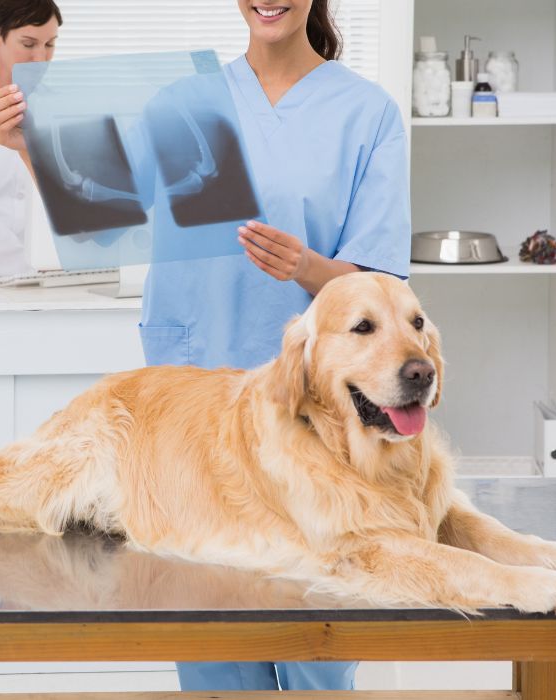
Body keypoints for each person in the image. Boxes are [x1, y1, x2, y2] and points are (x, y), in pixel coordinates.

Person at [139, 0, 411, 691]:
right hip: (195, 406)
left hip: (312, 416)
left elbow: (379, 286)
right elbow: (104, 202)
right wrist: (27, 146)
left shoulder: (366, 113)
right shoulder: (183, 102)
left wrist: (306, 268)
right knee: (210, 638)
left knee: (317, 639)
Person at [0, 0, 61, 276]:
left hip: (33, 285)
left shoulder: (56, 109)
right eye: (28, 44)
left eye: (49, 45)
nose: (41, 59)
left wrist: (30, 150)